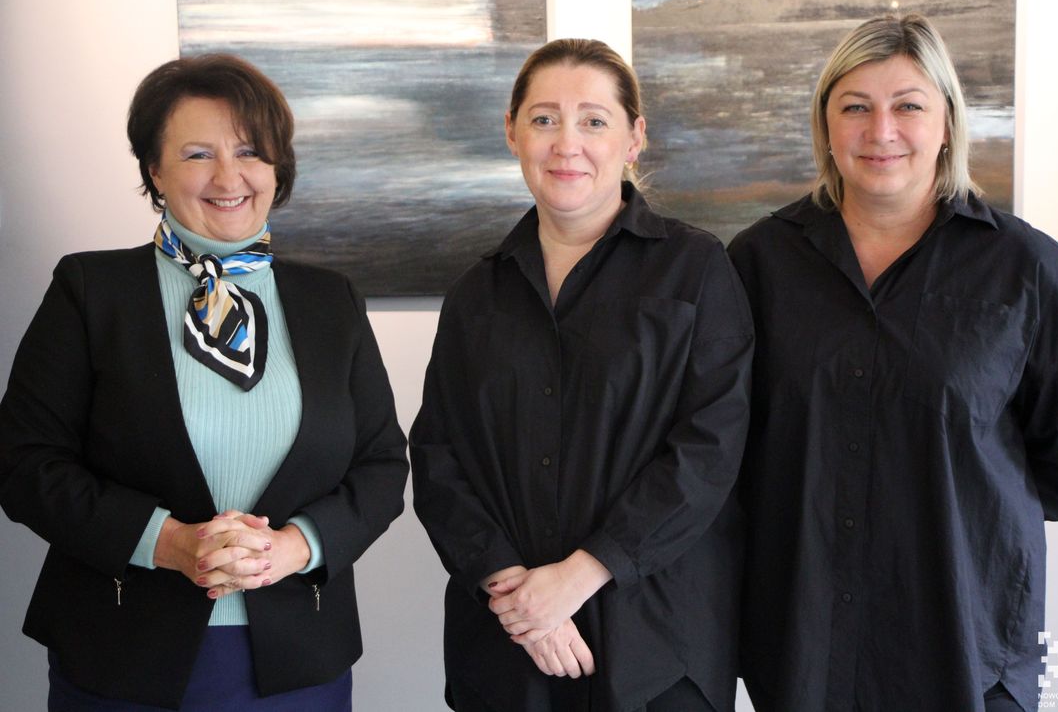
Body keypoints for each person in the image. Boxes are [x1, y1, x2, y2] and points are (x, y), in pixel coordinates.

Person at [0, 53, 409, 710]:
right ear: (154, 171)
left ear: (276, 168)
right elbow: (25, 463)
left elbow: (382, 464)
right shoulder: (90, 290)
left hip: (298, 655)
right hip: (122, 653)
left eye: (249, 151)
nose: (228, 176)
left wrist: (293, 547)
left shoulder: (331, 300)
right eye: (197, 154)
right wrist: (166, 542)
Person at [727, 14, 1058, 712]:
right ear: (825, 125)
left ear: (948, 122)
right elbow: (728, 453)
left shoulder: (1027, 268)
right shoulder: (756, 263)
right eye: (855, 108)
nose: (882, 131)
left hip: (967, 648)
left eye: (908, 106)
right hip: (803, 647)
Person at [409, 38, 754, 712]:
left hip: (657, 649)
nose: (567, 143)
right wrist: (516, 594)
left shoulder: (696, 269)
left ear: (634, 138)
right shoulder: (476, 293)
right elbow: (438, 456)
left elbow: (711, 450)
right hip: (507, 650)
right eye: (544, 119)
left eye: (594, 120)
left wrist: (579, 576)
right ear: (512, 132)